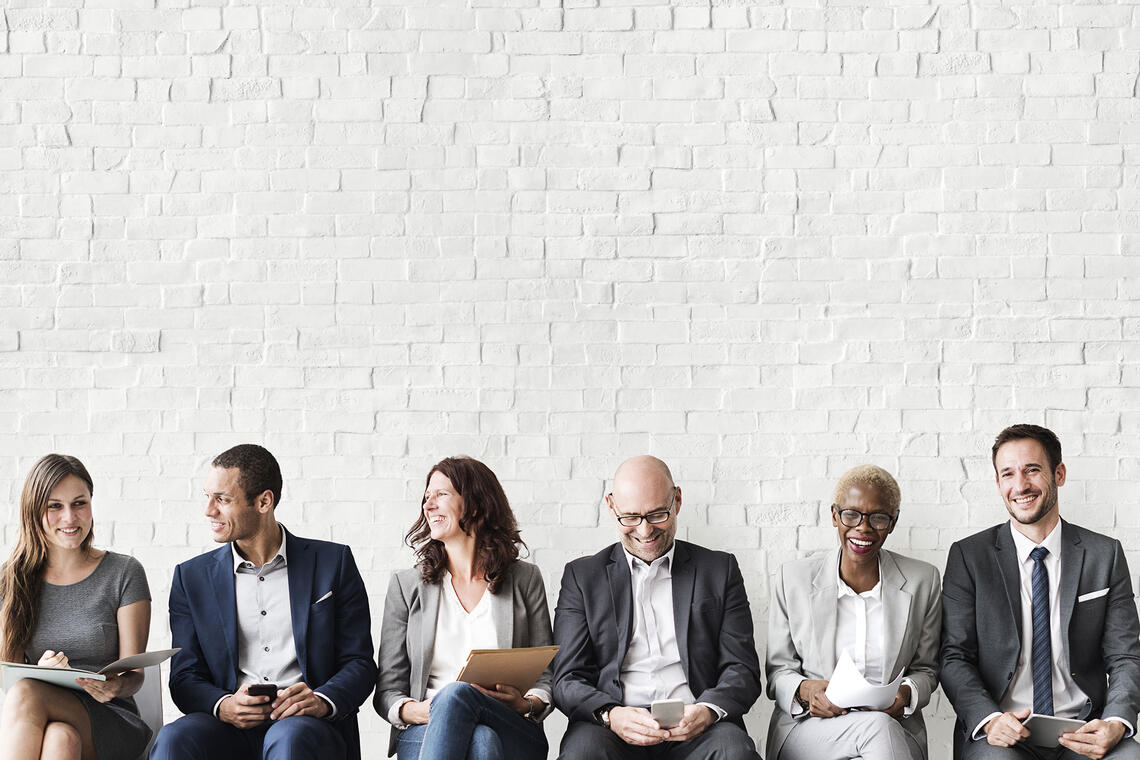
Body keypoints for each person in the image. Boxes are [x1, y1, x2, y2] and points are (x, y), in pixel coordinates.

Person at [149, 444, 376, 760]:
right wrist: (224, 705)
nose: (209, 511)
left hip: (305, 727)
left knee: (291, 739)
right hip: (227, 728)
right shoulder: (192, 577)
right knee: (175, 739)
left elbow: (360, 662)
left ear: (263, 502)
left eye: (223, 500)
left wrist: (322, 700)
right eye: (208, 497)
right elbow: (185, 676)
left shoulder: (332, 563)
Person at [941, 424, 1140, 760]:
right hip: (1003, 734)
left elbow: (1126, 656)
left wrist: (1116, 722)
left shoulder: (1104, 554)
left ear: (1059, 474)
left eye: (1032, 470)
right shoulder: (969, 557)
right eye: (1008, 474)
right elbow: (953, 656)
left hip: (1082, 729)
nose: (1020, 486)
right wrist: (990, 720)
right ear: (998, 483)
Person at [552, 455, 763, 760]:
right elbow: (567, 677)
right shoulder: (583, 577)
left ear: (677, 500)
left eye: (657, 514)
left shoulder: (719, 569)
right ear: (611, 506)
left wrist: (706, 711)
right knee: (581, 753)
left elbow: (741, 668)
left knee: (735, 752)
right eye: (631, 517)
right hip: (612, 728)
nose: (645, 530)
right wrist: (611, 714)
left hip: (698, 726)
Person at [375, 456, 553, 760]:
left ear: (474, 504)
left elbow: (546, 675)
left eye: (441, 494)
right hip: (426, 728)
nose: (428, 505)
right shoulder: (406, 587)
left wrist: (526, 704)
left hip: (509, 725)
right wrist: (424, 710)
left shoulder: (525, 579)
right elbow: (388, 690)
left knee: (460, 699)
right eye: (426, 496)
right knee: (480, 740)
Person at [765, 464, 941, 760]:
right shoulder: (793, 578)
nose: (863, 527)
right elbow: (778, 671)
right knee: (876, 728)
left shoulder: (923, 580)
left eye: (878, 518)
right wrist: (807, 692)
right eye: (851, 515)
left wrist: (906, 695)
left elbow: (927, 669)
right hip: (812, 728)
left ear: (893, 522)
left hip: (893, 727)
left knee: (878, 727)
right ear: (834, 516)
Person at [0, 454, 153, 760]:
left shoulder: (123, 572)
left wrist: (114, 686)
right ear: (34, 512)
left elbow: (134, 674)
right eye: (55, 506)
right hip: (44, 717)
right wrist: (40, 673)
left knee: (27, 692)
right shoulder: (11, 579)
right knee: (60, 738)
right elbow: (8, 676)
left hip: (111, 717)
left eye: (79, 503)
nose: (70, 518)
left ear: (91, 505)